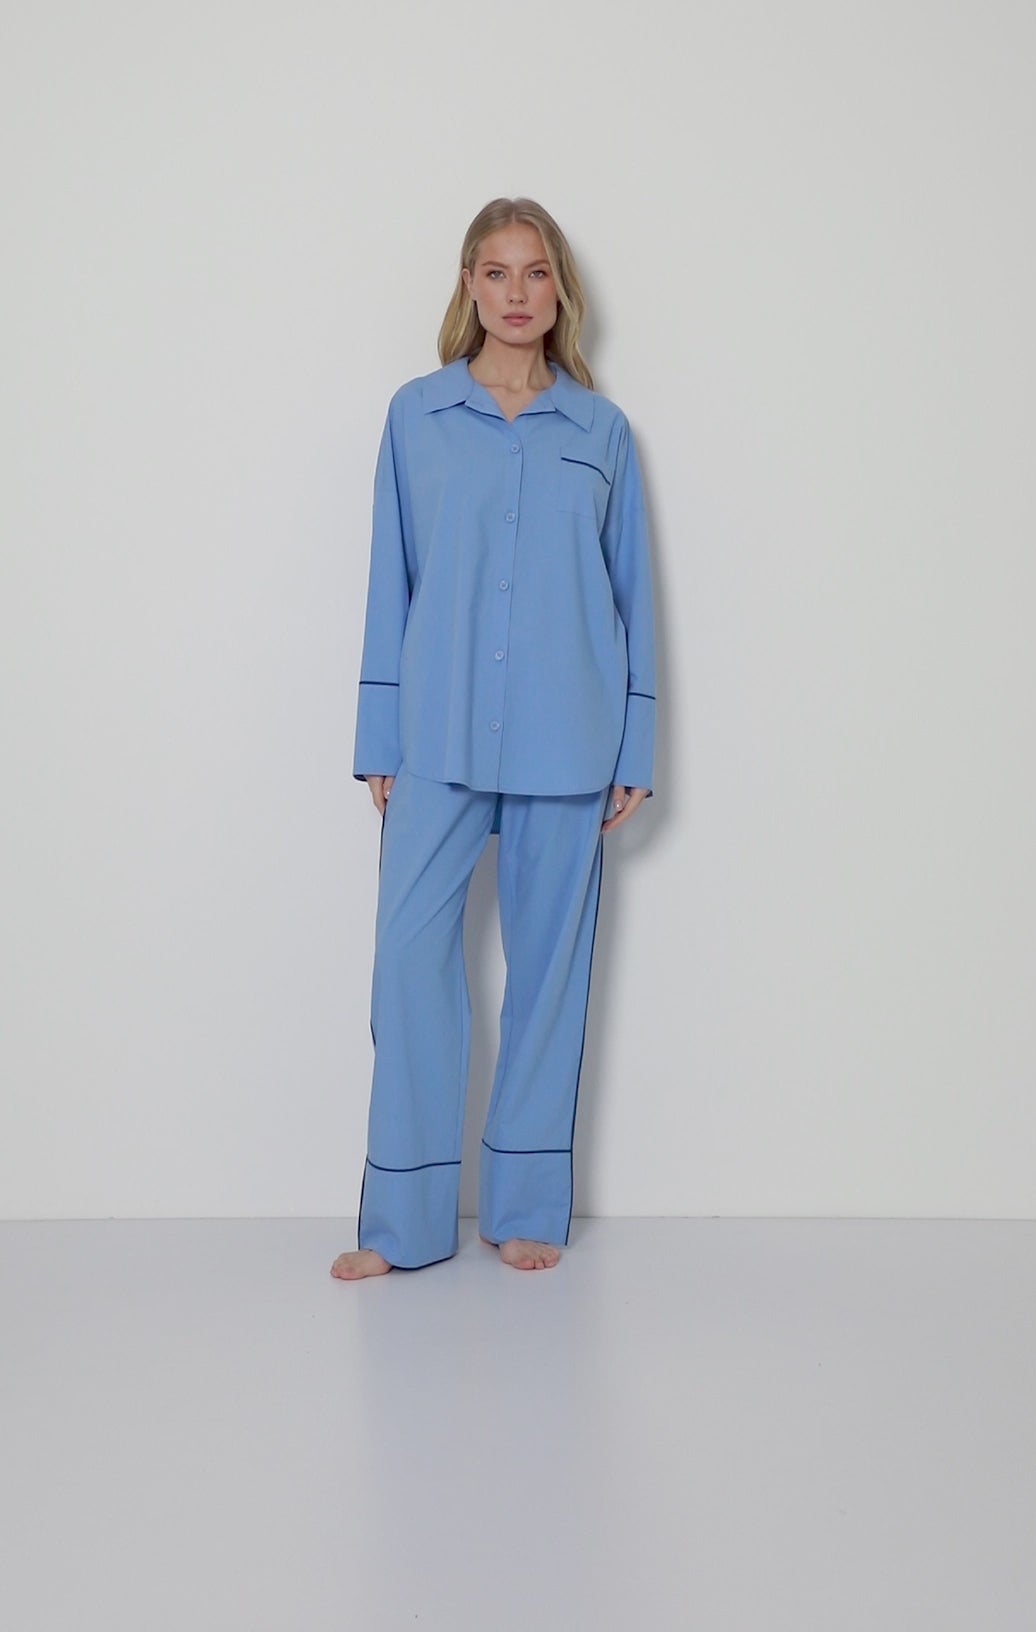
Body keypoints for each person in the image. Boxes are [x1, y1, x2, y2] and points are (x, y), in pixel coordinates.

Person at [331, 196, 656, 1280]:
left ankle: (523, 1208)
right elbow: (390, 580)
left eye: (536, 272)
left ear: (560, 290)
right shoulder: (416, 417)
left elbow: (632, 597)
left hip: (570, 737)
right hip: (436, 732)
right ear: (468, 285)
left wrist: (635, 747)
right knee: (408, 966)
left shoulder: (601, 433)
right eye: (496, 272)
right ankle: (403, 1225)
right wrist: (380, 734)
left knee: (549, 978)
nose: (517, 293)